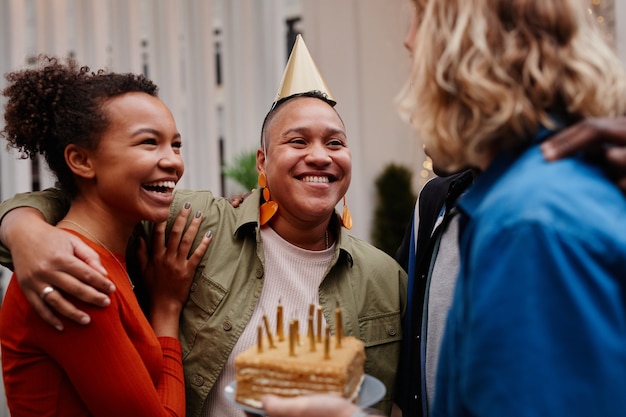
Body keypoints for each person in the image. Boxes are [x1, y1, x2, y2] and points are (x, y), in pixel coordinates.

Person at [0, 36, 407, 417]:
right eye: (297, 142)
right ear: (262, 162)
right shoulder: (195, 224)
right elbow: (88, 198)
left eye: (335, 143)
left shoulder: (385, 277)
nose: (320, 156)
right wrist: (23, 228)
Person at [0, 56, 212, 416]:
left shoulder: (111, 255)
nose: (174, 162)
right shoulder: (72, 273)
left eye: (175, 145)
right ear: (82, 161)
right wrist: (167, 308)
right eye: (149, 143)